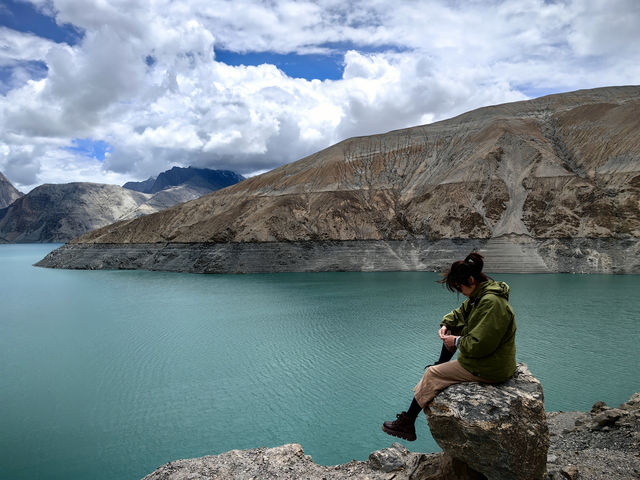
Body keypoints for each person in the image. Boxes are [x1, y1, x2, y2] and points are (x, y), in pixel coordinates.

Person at [382, 252, 517, 441]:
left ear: (470, 279)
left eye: (460, 287)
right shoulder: (481, 295)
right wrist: (446, 326)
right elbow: (459, 314)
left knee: (432, 374)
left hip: (490, 367)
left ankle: (407, 423)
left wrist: (455, 341)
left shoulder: (491, 303)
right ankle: (441, 363)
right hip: (491, 360)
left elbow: (480, 346)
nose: (460, 291)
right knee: (453, 329)